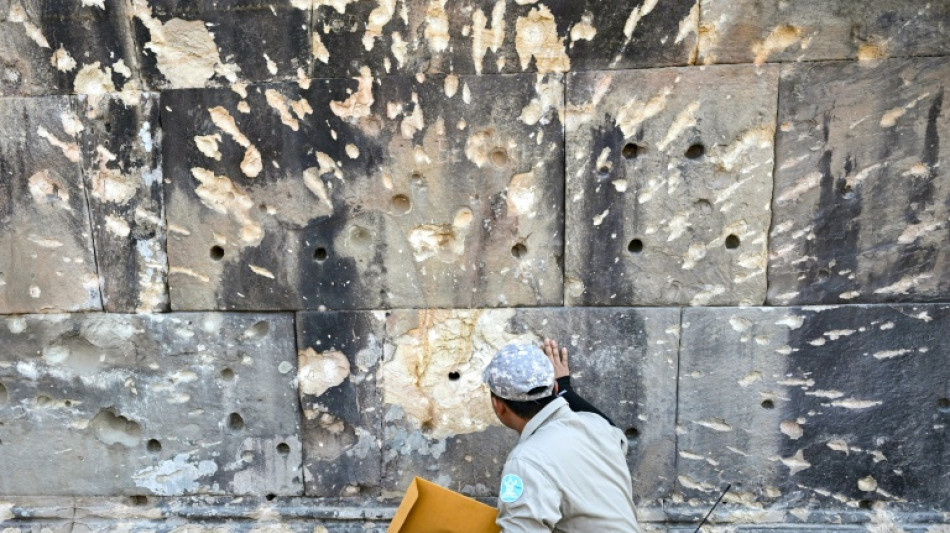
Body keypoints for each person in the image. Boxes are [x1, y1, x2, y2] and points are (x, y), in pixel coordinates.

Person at [482, 339, 641, 532]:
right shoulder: (597, 427)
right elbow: (610, 427)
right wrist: (566, 389)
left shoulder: (526, 460)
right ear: (555, 389)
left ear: (498, 405)